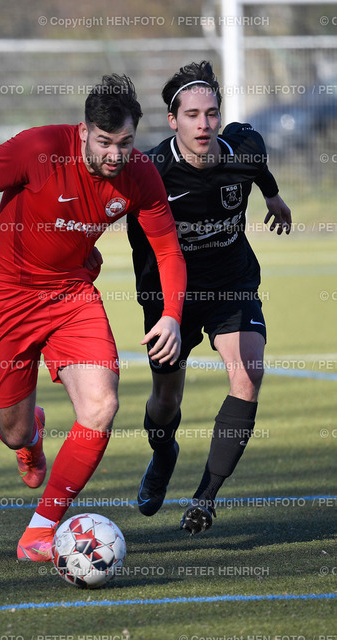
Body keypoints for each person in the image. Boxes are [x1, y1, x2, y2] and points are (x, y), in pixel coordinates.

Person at [0, 74, 186, 561]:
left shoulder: (139, 174)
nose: (116, 155)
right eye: (105, 142)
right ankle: (29, 437)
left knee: (101, 406)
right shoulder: (38, 148)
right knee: (12, 429)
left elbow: (168, 250)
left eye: (126, 143)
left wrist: (172, 315)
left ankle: (41, 528)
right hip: (5, 297)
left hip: (72, 296)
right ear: (82, 131)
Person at [127, 61, 292, 535]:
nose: (204, 124)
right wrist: (159, 307)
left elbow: (257, 168)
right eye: (193, 115)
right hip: (168, 296)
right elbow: (139, 244)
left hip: (231, 282)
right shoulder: (151, 173)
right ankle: (163, 455)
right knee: (165, 398)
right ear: (172, 121)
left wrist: (273, 198)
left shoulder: (245, 146)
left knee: (249, 372)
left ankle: (205, 498)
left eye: (212, 114)